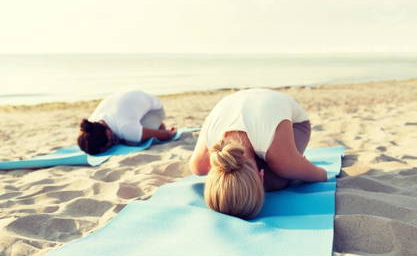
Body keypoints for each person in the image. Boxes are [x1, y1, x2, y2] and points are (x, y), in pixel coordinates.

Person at [189, 88, 327, 219]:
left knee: (275, 180)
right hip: (242, 100)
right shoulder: (200, 164)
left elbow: (322, 175)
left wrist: (297, 166)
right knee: (279, 173)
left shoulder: (283, 160)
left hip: (295, 123)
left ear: (261, 177)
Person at [77, 90, 176, 155]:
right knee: (128, 135)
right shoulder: (92, 122)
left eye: (107, 146)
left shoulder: (126, 128)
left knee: (133, 142)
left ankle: (158, 124)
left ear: (108, 134)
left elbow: (166, 135)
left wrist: (170, 133)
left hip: (154, 109)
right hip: (130, 100)